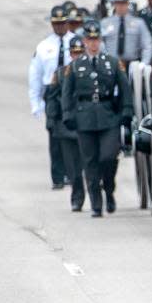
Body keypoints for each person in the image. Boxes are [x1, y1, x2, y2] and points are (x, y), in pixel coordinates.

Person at [61, 21, 133, 217]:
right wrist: (67, 114)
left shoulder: (111, 62)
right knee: (90, 161)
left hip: (108, 115)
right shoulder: (75, 66)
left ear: (100, 41)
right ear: (84, 41)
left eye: (96, 39)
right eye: (90, 40)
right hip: (84, 118)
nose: (93, 43)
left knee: (108, 157)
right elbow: (67, 93)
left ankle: (109, 189)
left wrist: (127, 110)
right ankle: (96, 203)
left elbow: (125, 88)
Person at [30, 5, 76, 190]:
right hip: (53, 92)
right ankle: (58, 176)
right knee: (54, 134)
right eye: (56, 24)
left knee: (74, 134)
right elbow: (35, 75)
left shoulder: (77, 42)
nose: (60, 27)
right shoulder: (44, 46)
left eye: (63, 23)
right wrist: (36, 103)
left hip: (73, 91)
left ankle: (73, 173)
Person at [49, 37, 88, 211]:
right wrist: (51, 120)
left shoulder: (92, 71)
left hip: (87, 124)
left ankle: (95, 195)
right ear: (70, 53)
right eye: (74, 53)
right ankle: (77, 196)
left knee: (90, 164)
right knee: (73, 168)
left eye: (80, 53)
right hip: (66, 126)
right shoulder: (60, 73)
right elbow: (51, 98)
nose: (77, 56)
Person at [99, 0, 152, 66]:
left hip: (132, 64)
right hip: (110, 64)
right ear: (114, 3)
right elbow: (99, 43)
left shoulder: (139, 23)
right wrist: (105, 59)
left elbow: (147, 44)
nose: (121, 6)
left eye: (123, 2)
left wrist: (144, 63)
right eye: (118, 3)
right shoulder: (105, 23)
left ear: (128, 3)